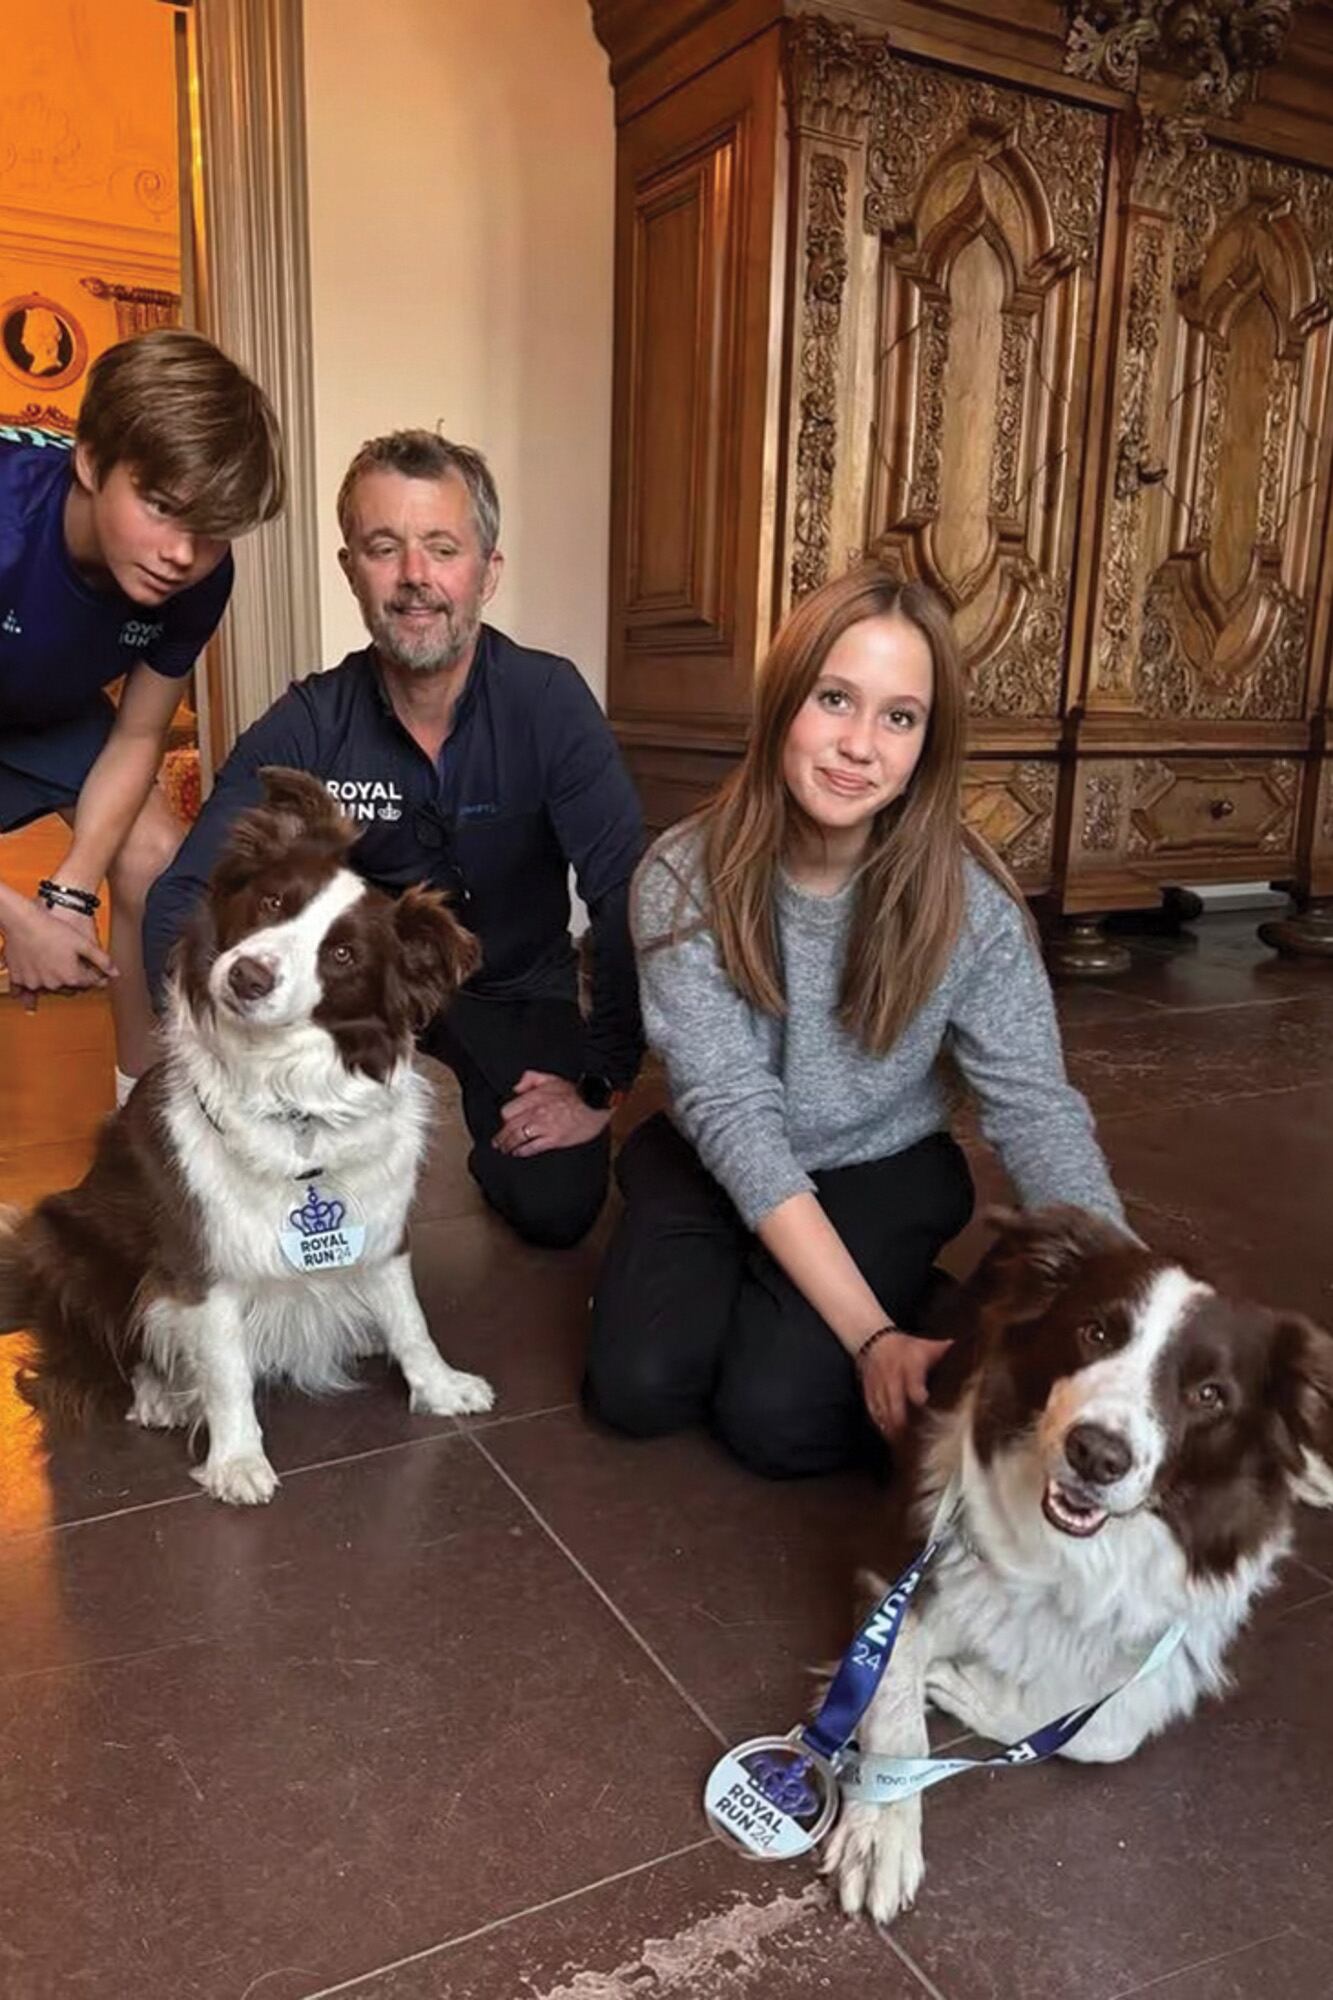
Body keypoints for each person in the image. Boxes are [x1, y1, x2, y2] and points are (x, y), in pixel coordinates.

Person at [585, 567, 1124, 1479]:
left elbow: (1034, 1109)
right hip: (718, 1154)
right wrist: (869, 1333)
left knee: (776, 1420)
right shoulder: (678, 878)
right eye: (835, 699)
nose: (860, 747)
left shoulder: (974, 909)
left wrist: (1127, 1311)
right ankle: (806, 1288)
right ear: (785, 701)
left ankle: (881, 1296)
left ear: (927, 743)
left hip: (880, 1160)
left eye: (899, 717)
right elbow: (732, 1115)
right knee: (637, 1387)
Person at [145, 429, 645, 1250]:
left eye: (442, 548)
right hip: (355, 992)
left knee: (554, 1206)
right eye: (384, 547)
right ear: (351, 570)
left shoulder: (549, 701)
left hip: (518, 986)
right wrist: (223, 1071)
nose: (415, 577)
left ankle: (472, 1135)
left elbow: (626, 894)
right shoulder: (310, 719)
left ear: (487, 572)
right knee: (271, 1211)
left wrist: (601, 1084)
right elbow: (186, 892)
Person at [0, 327, 285, 1103]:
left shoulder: (197, 574)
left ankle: (145, 1116)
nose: (182, 554)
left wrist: (66, 896)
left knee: (156, 857)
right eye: (162, 508)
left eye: (212, 531)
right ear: (90, 461)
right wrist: (12, 918)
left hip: (47, 714)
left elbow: (136, 732)